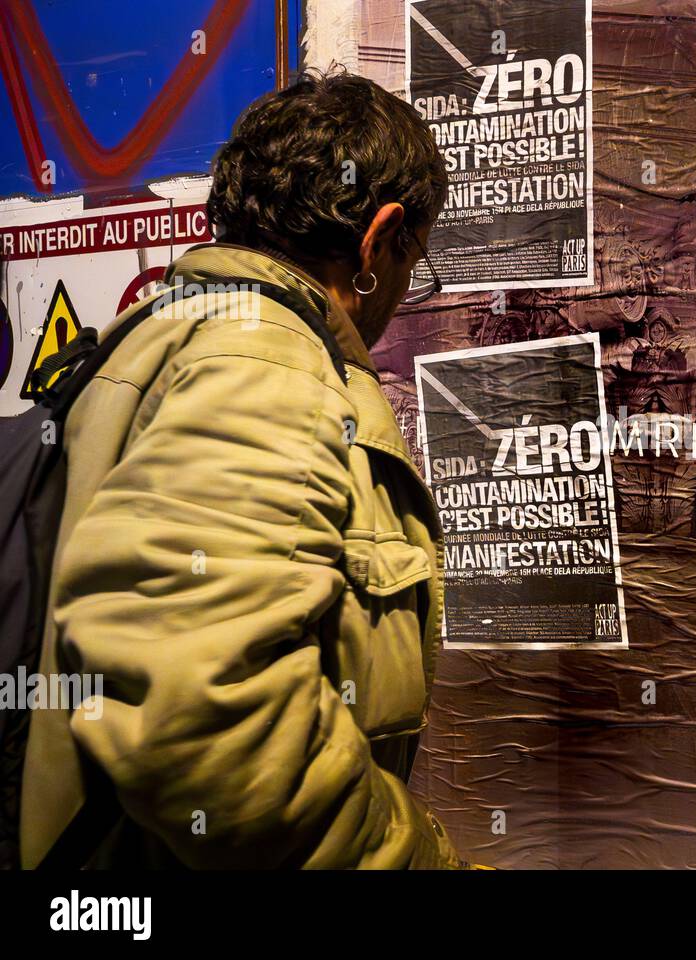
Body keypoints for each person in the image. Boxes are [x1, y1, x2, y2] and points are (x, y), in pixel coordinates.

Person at [20, 69, 463, 869]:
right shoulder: (265, 364)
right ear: (378, 239)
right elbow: (196, 704)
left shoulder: (159, 332)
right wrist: (411, 858)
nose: (404, 288)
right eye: (413, 260)